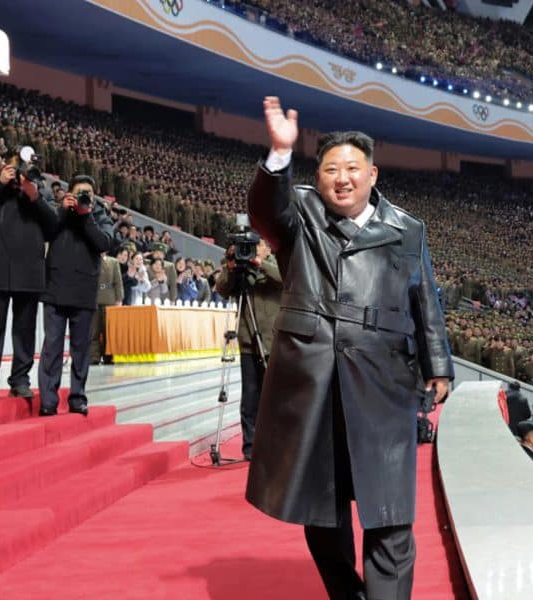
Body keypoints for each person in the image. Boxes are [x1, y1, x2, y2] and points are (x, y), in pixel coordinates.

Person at [245, 97, 453, 600]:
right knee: (322, 509)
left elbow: (424, 297)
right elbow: (265, 213)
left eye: (352, 168)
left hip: (385, 382)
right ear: (318, 178)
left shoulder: (408, 229)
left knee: (391, 511)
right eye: (331, 169)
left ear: (372, 173)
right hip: (312, 384)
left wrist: (439, 364)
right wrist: (279, 153)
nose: (342, 179)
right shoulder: (300, 212)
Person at [0, 157, 56, 400]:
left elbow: (53, 225)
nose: (19, 174)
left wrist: (34, 195)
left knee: (25, 330)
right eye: (15, 168)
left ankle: (20, 380)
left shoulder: (39, 192)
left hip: (29, 271)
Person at [37, 175, 113, 416]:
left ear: (94, 196)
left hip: (84, 291)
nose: (83, 196)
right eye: (79, 192)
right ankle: (48, 400)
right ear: (69, 192)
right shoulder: (58, 211)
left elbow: (104, 243)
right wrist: (63, 210)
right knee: (52, 347)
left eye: (88, 193)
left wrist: (86, 215)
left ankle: (77, 397)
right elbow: (45, 231)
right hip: (55, 288)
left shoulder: (99, 215)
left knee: (81, 350)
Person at [214, 237, 282, 460]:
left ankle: (275, 443)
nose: (253, 249)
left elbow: (286, 279)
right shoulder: (240, 268)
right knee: (250, 397)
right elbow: (222, 289)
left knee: (273, 395)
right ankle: (250, 447)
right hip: (247, 341)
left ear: (268, 248)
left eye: (259, 244)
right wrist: (231, 265)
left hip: (272, 340)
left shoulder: (278, 263)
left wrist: (260, 263)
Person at [90, 250, 123, 365]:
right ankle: (94, 357)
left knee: (108, 331)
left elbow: (118, 281)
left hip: (110, 299)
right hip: (94, 298)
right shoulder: (91, 259)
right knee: (94, 330)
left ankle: (109, 356)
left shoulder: (113, 262)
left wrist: (119, 299)